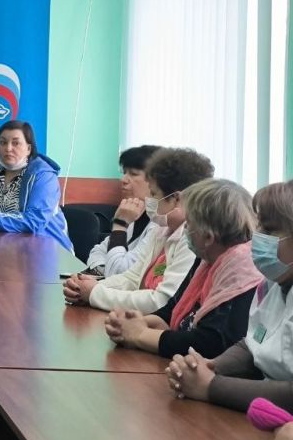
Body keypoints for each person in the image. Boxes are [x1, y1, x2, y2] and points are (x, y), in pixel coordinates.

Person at [166, 181, 293, 412]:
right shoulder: (273, 284)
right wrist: (209, 367)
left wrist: (210, 386)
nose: (258, 237)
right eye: (259, 226)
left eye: (270, 230)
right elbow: (252, 345)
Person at [104, 178, 260, 358]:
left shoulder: (241, 273)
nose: (185, 228)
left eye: (189, 223)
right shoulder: (207, 258)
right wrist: (135, 323)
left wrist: (140, 335)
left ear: (208, 237)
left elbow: (209, 343)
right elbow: (173, 307)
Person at [64, 147, 212, 313]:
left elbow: (162, 301)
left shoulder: (193, 240)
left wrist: (94, 293)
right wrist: (86, 287)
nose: (149, 200)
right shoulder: (162, 229)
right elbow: (133, 277)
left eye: (154, 194)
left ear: (177, 198)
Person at [0, 120, 71, 251]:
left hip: (48, 252)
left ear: (28, 149)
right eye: (3, 142)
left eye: (15, 143)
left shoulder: (44, 175)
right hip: (1, 249)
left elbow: (35, 221)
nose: (8, 148)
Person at [83, 144, 161, 276]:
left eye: (133, 174)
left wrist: (119, 225)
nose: (123, 180)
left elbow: (120, 271)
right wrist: (105, 270)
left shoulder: (162, 223)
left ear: (156, 180)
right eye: (124, 173)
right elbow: (98, 252)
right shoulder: (134, 213)